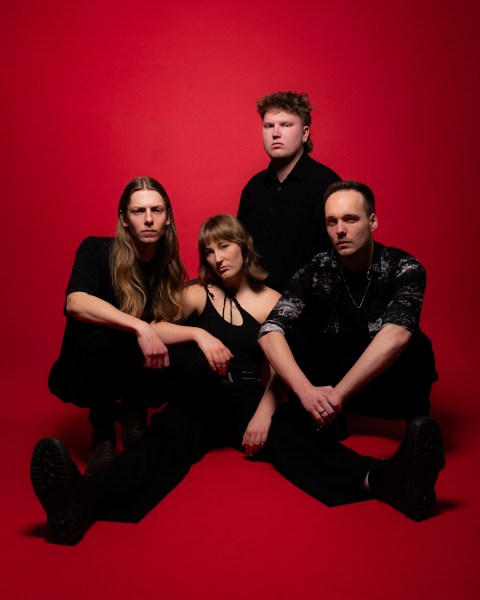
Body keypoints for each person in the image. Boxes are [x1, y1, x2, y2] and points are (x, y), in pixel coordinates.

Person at [30, 215, 445, 546]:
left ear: (243, 246)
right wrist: (199, 335)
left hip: (246, 395)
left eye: (224, 246)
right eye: (208, 251)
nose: (217, 258)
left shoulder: (275, 300)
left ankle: (390, 481)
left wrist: (264, 413)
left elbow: (284, 363)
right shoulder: (198, 293)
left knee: (293, 440)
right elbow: (156, 328)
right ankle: (79, 504)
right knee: (160, 445)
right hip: (199, 393)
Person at [258, 179, 438, 429]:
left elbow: (397, 334)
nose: (340, 230)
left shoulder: (404, 267)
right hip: (331, 381)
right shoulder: (316, 270)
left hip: (388, 387)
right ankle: (323, 422)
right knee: (296, 332)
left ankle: (419, 426)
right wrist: (306, 392)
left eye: (350, 219)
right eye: (332, 222)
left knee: (417, 343)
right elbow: (270, 331)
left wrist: (337, 397)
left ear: (372, 221)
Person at [47, 176, 186, 476]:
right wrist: (140, 327)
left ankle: (135, 413)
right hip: (86, 370)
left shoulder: (169, 270)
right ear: (124, 219)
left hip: (137, 371)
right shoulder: (96, 250)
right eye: (138, 211)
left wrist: (198, 335)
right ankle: (103, 432)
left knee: (183, 346)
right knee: (100, 335)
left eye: (156, 210)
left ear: (168, 218)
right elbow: (75, 302)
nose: (148, 219)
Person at [237, 91, 340, 292]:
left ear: (305, 133)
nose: (275, 133)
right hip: (254, 301)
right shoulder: (253, 188)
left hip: (311, 303)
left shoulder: (328, 185)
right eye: (269, 126)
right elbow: (240, 252)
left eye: (286, 125)